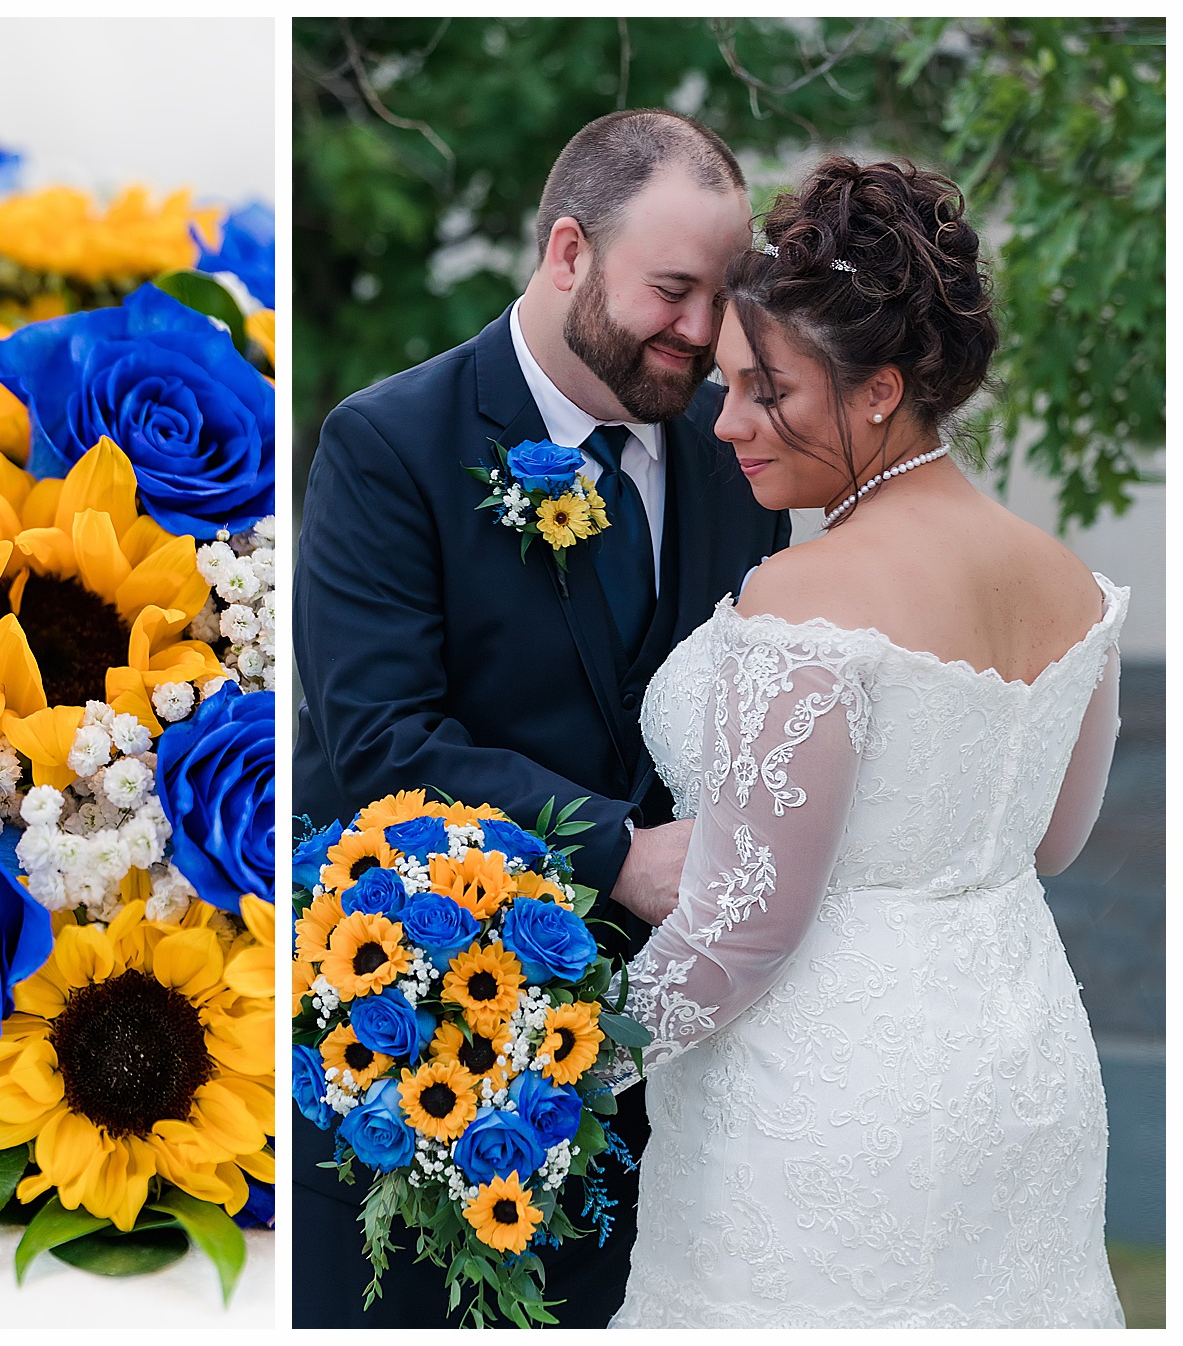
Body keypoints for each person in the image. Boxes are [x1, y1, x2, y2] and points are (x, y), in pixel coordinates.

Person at [293, 108, 791, 1328]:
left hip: (672, 1077)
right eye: (672, 289)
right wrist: (616, 849)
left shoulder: (737, 462)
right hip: (432, 1040)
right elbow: (376, 742)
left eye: (721, 296)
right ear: (568, 251)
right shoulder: (390, 444)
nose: (700, 331)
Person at [607, 157, 1125, 1328]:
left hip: (823, 1093)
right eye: (728, 386)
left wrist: (566, 1066)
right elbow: (1051, 843)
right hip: (1026, 1067)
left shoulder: (807, 594)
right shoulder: (1075, 590)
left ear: (883, 388)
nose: (728, 420)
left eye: (767, 391)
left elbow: (748, 926)